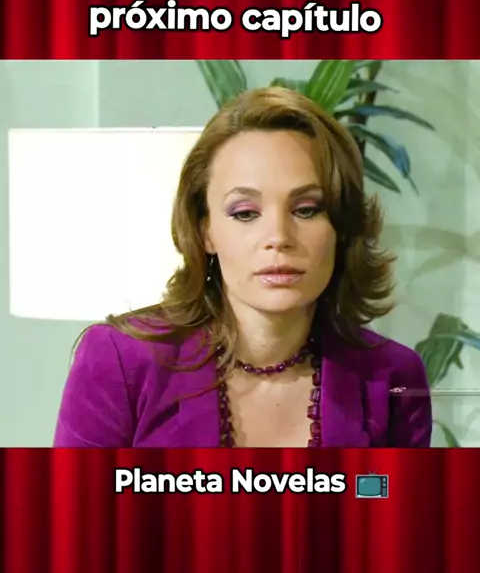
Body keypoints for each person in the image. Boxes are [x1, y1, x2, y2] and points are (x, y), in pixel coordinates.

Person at [54, 86, 432, 448]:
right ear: (205, 231)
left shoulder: (393, 377)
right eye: (246, 213)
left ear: (342, 227)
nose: (278, 237)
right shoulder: (118, 362)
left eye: (306, 209)